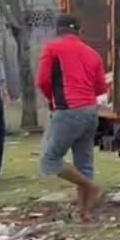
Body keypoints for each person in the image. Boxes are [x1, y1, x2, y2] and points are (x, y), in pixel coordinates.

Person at [36, 15, 107, 220]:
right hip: (90, 112)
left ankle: (92, 188)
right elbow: (100, 87)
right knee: (84, 163)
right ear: (79, 32)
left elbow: (43, 81)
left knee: (50, 160)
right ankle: (84, 213)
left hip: (69, 110)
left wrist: (52, 101)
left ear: (58, 30)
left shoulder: (52, 49)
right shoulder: (93, 54)